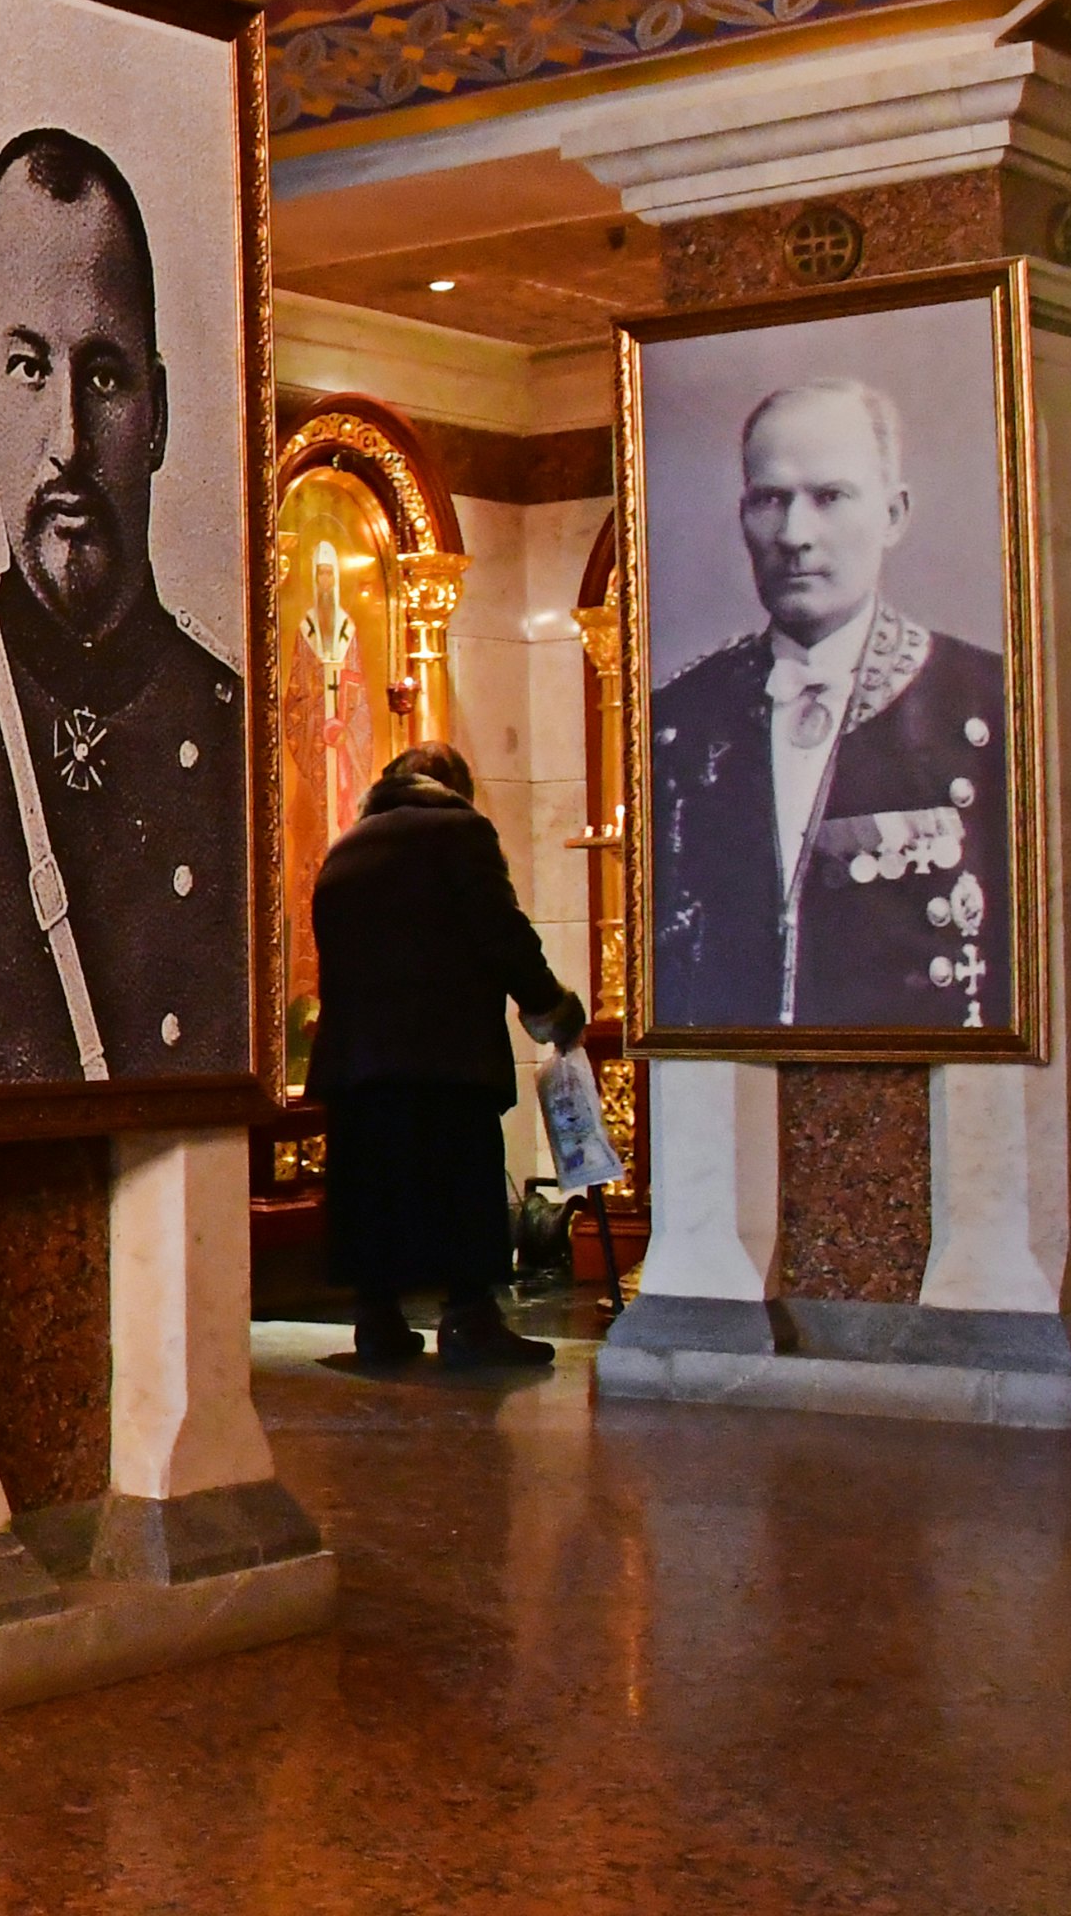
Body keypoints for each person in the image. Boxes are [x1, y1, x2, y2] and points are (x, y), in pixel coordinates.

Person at [0, 127, 246, 1083]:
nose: (66, 440)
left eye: (103, 376)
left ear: (160, 416)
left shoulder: (230, 733)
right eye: (27, 369)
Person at [650, 376, 1010, 1029]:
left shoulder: (985, 703)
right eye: (770, 500)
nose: (794, 533)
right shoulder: (679, 720)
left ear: (894, 515)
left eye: (829, 497)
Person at [306, 742, 580, 1372]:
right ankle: (470, 1320)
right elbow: (501, 934)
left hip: (358, 1064)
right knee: (460, 1183)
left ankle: (377, 1323)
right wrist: (552, 1008)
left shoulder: (345, 847)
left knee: (374, 1191)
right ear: (457, 787)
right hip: (443, 1058)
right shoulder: (461, 832)